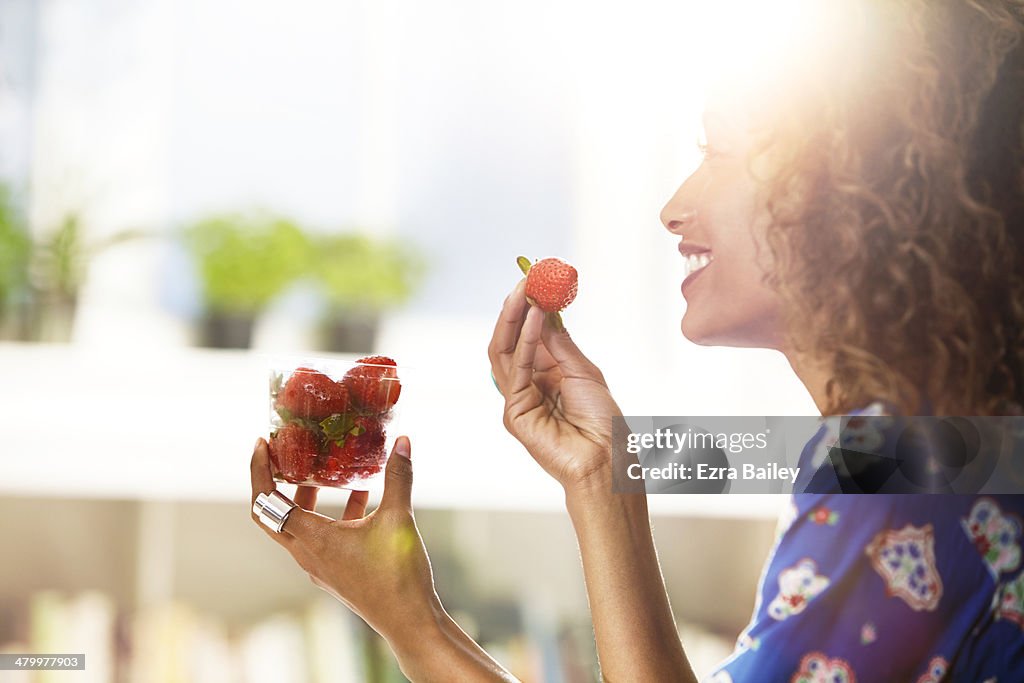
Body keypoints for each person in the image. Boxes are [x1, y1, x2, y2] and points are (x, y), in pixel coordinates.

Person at [249, 1, 1024, 680]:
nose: (673, 209)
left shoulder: (902, 479)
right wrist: (598, 475)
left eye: (718, 152)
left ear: (856, 182)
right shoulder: (946, 454)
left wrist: (412, 624)